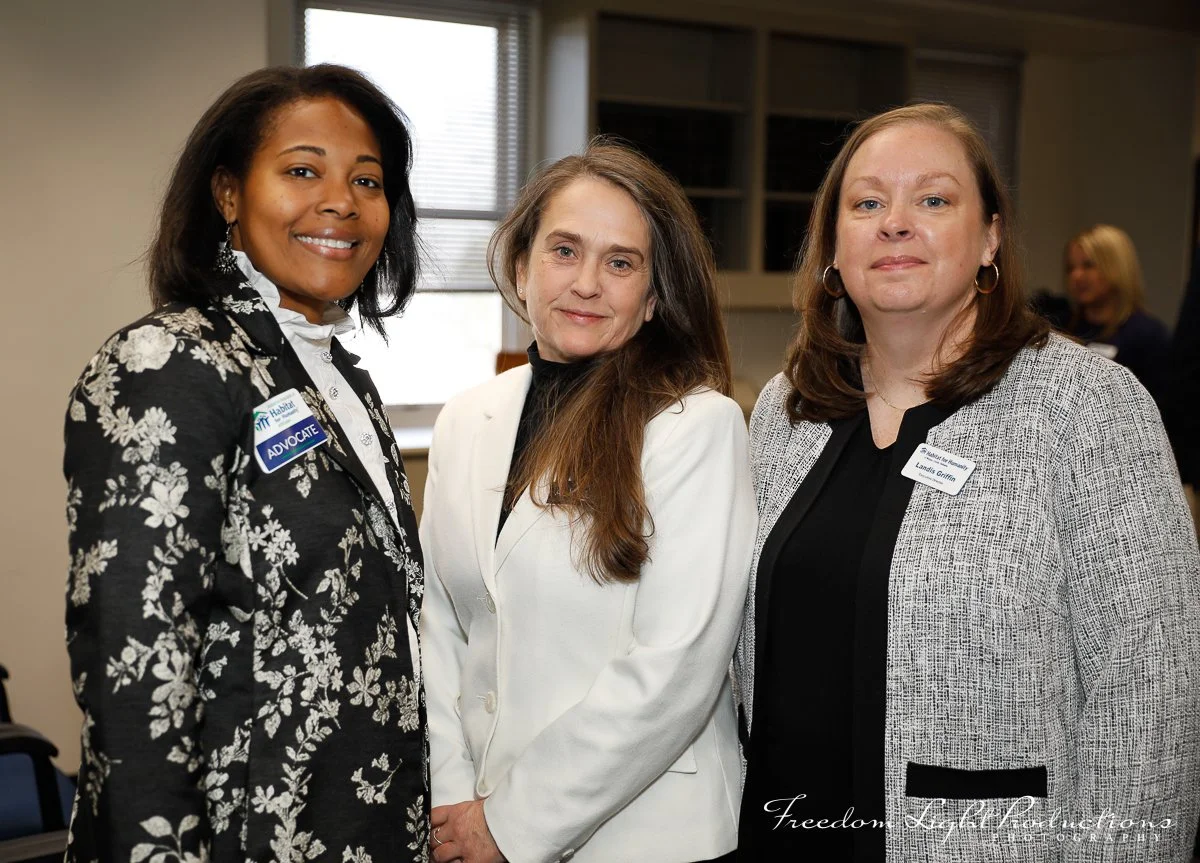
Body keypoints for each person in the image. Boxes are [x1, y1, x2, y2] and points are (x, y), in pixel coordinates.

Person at [733, 103, 1200, 861]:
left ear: (990, 239)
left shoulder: (1085, 406)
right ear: (833, 245)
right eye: (868, 202)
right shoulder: (786, 414)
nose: (895, 223)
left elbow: (1151, 697)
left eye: (934, 199)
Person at [64, 65, 428, 862]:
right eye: (303, 170)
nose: (340, 200)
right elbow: (136, 660)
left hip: (356, 825)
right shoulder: (168, 362)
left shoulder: (340, 381)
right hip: (244, 836)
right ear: (228, 193)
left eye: (367, 180)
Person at [420, 141, 755, 863]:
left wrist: (510, 824)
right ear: (521, 265)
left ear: (654, 295)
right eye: (564, 250)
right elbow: (439, 619)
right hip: (472, 820)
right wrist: (452, 797)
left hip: (646, 838)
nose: (588, 283)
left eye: (621, 262)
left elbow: (676, 664)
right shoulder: (466, 418)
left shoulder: (695, 426)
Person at [1064, 224, 1171, 404]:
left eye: (1088, 265)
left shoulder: (1147, 336)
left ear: (1117, 268)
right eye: (1070, 268)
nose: (1077, 276)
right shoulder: (1063, 328)